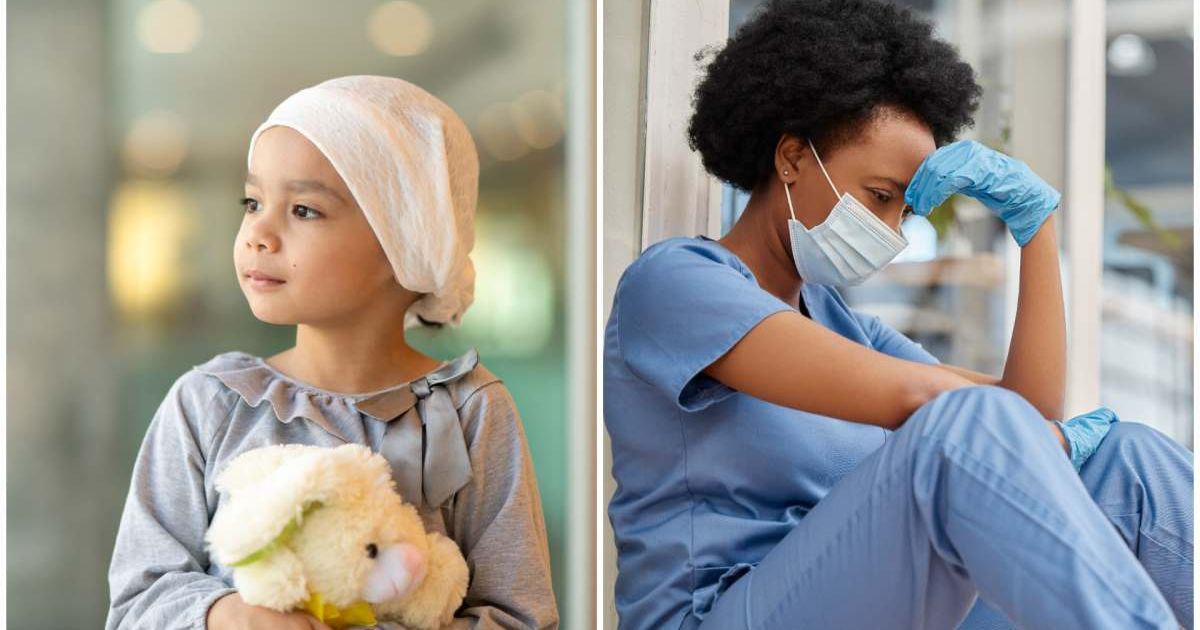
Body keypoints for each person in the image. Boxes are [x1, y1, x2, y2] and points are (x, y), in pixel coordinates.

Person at [603, 1, 1193, 629]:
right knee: (963, 426)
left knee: (1130, 464)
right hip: (724, 614)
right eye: (880, 196)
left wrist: (1036, 228)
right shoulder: (675, 283)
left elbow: (1029, 409)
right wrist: (1031, 434)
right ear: (793, 158)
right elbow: (940, 407)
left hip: (867, 607)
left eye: (904, 212)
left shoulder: (839, 322)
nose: (891, 231)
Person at [105, 75, 559, 630]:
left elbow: (521, 614)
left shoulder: (472, 412)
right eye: (253, 202)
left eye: (303, 211)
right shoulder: (207, 405)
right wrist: (233, 616)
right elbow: (138, 599)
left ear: (403, 241)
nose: (258, 234)